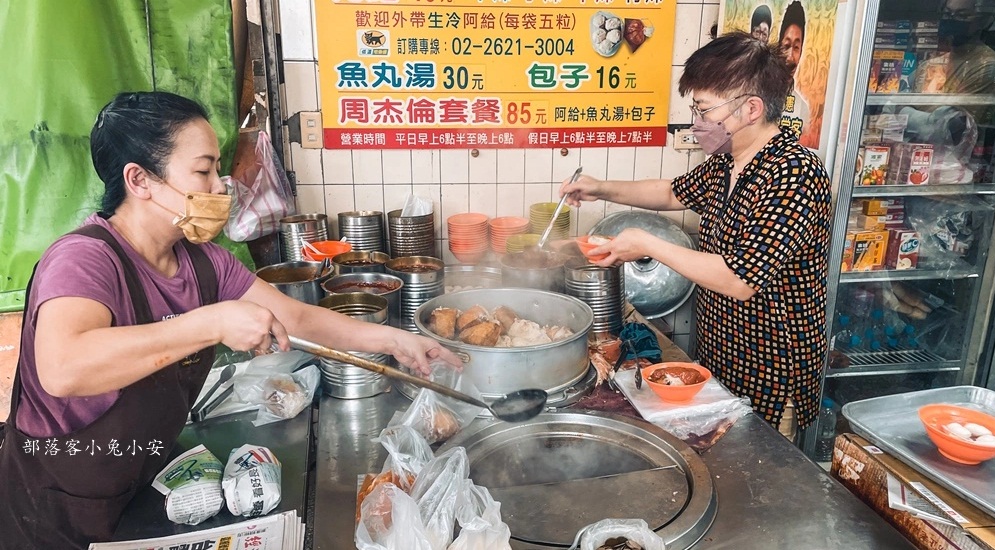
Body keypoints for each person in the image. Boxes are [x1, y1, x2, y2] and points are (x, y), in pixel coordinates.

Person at [0, 91, 460, 549]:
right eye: (202, 171)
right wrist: (212, 323)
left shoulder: (203, 262)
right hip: (58, 501)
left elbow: (297, 317)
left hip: (142, 475)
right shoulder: (83, 259)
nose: (220, 186)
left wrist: (395, 341)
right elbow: (64, 368)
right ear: (140, 179)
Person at [561, 33, 831, 440]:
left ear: (751, 108)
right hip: (723, 355)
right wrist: (601, 187)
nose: (697, 123)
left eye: (704, 110)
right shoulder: (729, 161)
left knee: (757, 471)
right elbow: (672, 191)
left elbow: (740, 280)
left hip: (773, 371)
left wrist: (648, 244)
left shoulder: (793, 172)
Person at [778, 0, 811, 142]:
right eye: (786, 46)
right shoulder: (756, 93)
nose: (791, 57)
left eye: (796, 47)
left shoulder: (802, 108)